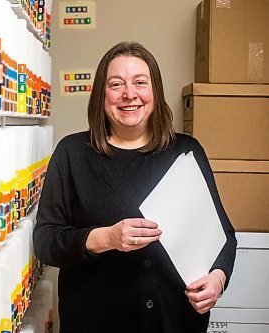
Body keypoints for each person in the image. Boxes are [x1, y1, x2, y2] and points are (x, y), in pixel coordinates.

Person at [33, 41, 237, 333]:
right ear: (101, 95)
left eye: (140, 82)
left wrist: (217, 278)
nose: (130, 94)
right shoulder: (72, 153)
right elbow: (45, 241)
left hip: (175, 322)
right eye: (116, 84)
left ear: (155, 91)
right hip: (96, 323)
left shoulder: (186, 151)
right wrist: (105, 238)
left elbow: (224, 236)